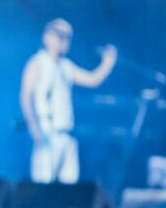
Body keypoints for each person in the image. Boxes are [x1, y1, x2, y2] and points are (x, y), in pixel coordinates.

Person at [20, 18, 117, 184]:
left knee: (70, 187)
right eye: (60, 35)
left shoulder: (66, 66)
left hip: (67, 135)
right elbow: (25, 97)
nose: (64, 40)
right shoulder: (37, 63)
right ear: (47, 37)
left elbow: (92, 79)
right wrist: (33, 126)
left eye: (68, 37)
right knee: (44, 187)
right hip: (47, 133)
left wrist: (107, 64)